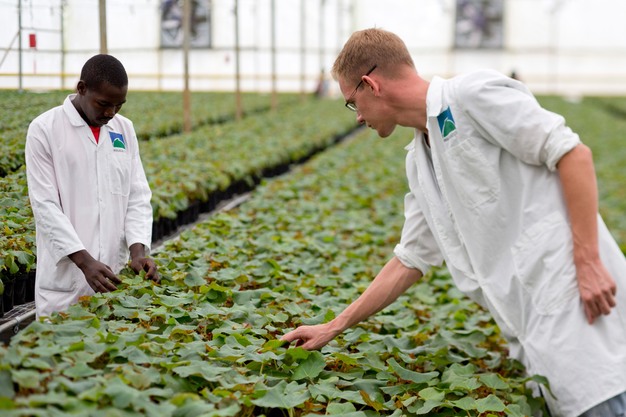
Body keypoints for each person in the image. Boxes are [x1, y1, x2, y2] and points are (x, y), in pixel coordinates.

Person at [281, 28, 626, 417]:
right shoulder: (419, 161)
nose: (358, 116)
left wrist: (588, 261)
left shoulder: (471, 95)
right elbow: (411, 258)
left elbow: (573, 154)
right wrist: (333, 326)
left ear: (370, 84)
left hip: (580, 308)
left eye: (351, 102)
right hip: (534, 336)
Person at [25, 54, 159, 319]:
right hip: (66, 281)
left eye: (118, 105)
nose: (111, 113)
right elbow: (45, 206)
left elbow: (137, 195)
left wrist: (137, 251)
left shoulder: (124, 129)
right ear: (82, 88)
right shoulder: (45, 130)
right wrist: (84, 261)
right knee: (62, 340)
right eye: (104, 104)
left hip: (113, 278)